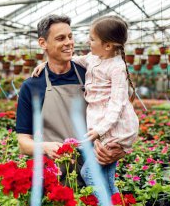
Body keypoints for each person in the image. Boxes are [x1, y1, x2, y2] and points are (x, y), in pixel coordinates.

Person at [32, 15, 139, 195]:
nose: (87, 42)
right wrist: (45, 63)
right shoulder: (93, 58)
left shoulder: (116, 68)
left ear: (107, 45)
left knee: (88, 173)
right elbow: (73, 59)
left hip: (112, 130)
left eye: (92, 39)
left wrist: (100, 131)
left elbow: (117, 105)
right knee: (107, 178)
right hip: (102, 129)